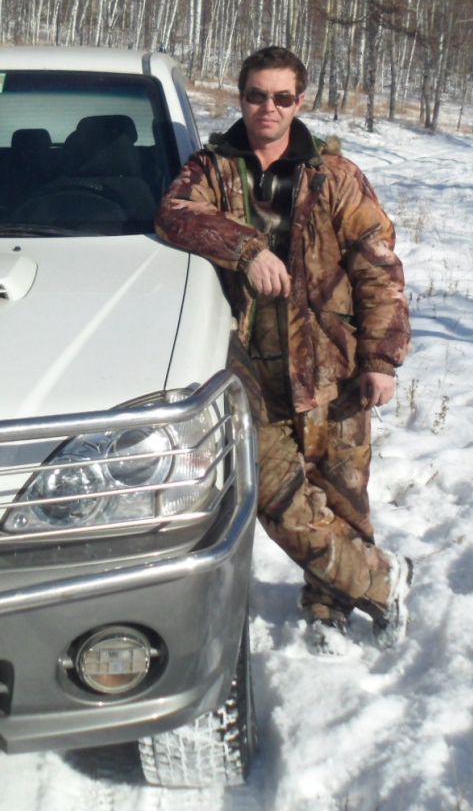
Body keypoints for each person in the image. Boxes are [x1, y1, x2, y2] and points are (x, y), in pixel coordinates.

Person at [156, 45, 413, 653]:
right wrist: (246, 249)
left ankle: (329, 601)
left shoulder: (335, 175)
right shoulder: (214, 168)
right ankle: (382, 580)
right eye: (255, 95)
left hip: (330, 364)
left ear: (300, 102)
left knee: (342, 496)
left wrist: (381, 359)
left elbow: (379, 267)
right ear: (240, 97)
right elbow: (174, 215)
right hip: (246, 369)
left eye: (281, 97)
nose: (267, 108)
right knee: (274, 496)